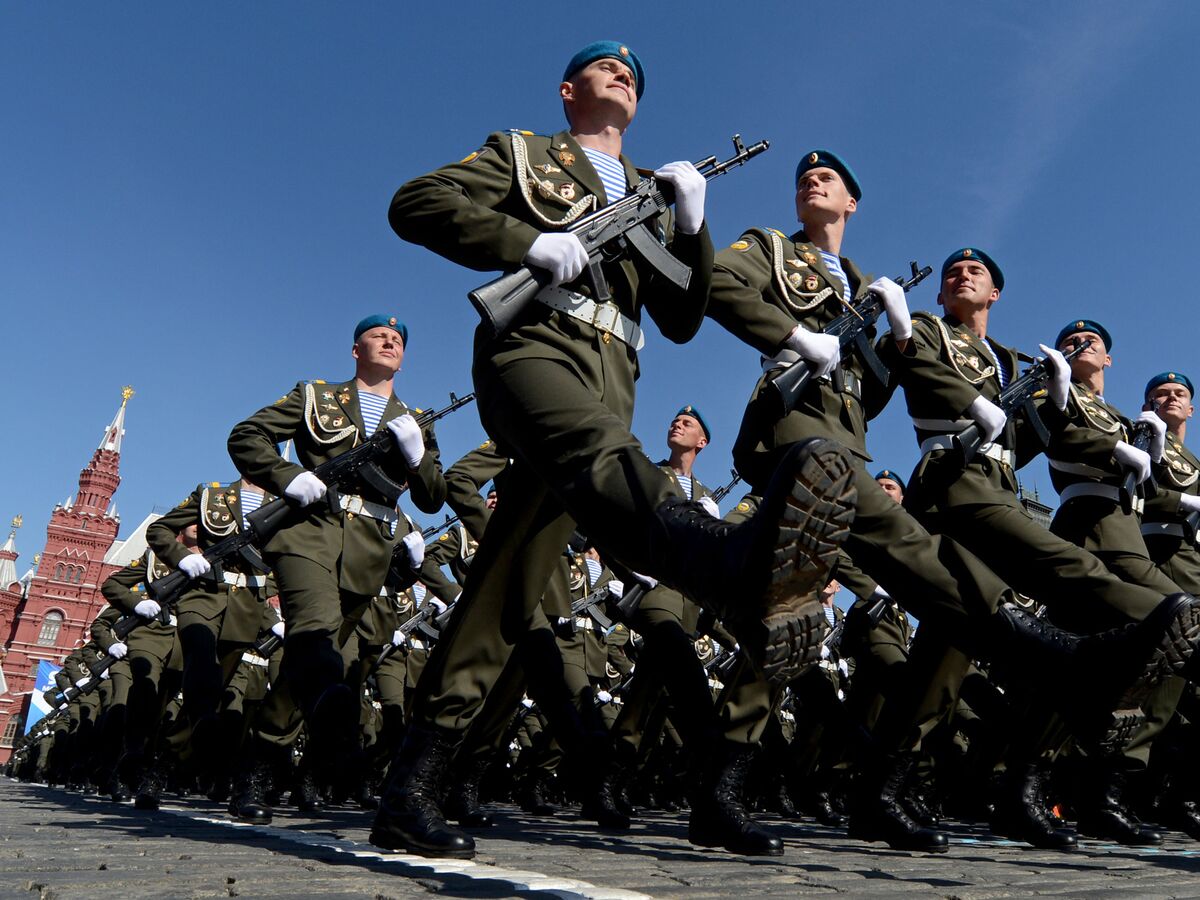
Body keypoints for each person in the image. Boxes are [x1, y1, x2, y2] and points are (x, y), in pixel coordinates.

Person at [372, 41, 858, 859]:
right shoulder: (523, 154)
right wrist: (519, 240)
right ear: (570, 91)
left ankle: (412, 782)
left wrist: (694, 223)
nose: (623, 74)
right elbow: (416, 201)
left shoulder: (647, 195)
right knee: (604, 461)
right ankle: (730, 567)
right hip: (534, 352)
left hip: (612, 377)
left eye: (633, 73)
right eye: (605, 67)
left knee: (508, 583)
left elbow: (679, 314)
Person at [227, 314, 446, 778]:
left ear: (402, 360)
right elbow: (247, 435)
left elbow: (432, 498)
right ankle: (333, 732)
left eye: (397, 340)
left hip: (369, 551)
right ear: (355, 350)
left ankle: (260, 758)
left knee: (318, 655)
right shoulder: (317, 396)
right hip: (309, 529)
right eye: (378, 336)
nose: (389, 341)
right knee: (316, 628)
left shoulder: (415, 421)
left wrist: (417, 456)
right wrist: (289, 476)